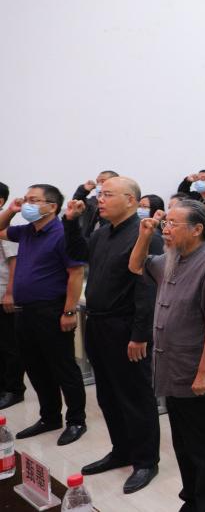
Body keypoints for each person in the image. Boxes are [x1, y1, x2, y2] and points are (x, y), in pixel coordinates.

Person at [128, 200, 205, 511]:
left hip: (197, 373)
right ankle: (193, 500)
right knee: (184, 445)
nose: (166, 229)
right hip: (172, 369)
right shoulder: (172, 258)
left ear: (197, 229)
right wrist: (144, 234)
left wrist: (203, 373)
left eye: (173, 224)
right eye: (165, 223)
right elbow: (135, 265)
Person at [63, 177, 162, 493]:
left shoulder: (146, 234)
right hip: (98, 324)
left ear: (131, 200)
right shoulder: (102, 233)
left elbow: (147, 289)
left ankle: (146, 461)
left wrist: (140, 334)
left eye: (107, 195)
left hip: (127, 327)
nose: (100, 200)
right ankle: (122, 450)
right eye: (100, 194)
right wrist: (70, 221)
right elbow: (77, 253)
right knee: (107, 394)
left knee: (135, 396)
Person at [0, 185, 88, 444]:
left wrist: (69, 311)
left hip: (52, 309)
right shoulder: (27, 231)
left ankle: (76, 420)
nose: (27, 203)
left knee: (63, 367)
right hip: (25, 311)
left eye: (34, 200)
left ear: (52, 207)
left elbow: (75, 274)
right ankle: (49, 417)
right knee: (35, 367)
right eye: (26, 199)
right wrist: (11, 210)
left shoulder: (62, 234)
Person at [0, 182, 22, 410]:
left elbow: (15, 261)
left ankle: (14, 389)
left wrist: (10, 293)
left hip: (4, 294)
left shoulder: (7, 229)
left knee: (9, 345)